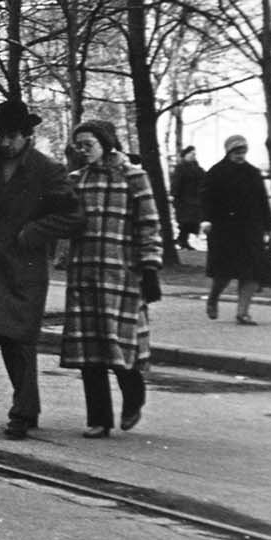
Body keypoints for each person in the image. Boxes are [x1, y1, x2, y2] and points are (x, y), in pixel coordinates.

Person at [0, 99, 85, 440]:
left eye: (12, 136)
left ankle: (23, 410)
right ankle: (26, 406)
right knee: (5, 337)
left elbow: (73, 216)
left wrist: (34, 232)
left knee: (21, 338)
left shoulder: (47, 169)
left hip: (27, 265)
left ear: (27, 135)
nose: (5, 142)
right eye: (1, 135)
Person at [59, 120, 162, 438]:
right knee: (90, 350)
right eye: (78, 145)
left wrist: (150, 269)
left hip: (122, 275)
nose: (82, 150)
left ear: (106, 142)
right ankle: (99, 419)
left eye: (88, 143)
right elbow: (63, 222)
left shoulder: (133, 176)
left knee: (121, 344)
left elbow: (148, 224)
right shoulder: (76, 180)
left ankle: (134, 398)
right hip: (85, 274)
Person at [202, 134, 271, 325]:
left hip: (251, 230)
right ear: (228, 152)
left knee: (251, 273)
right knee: (224, 273)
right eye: (236, 152)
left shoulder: (253, 173)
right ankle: (213, 298)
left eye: (243, 151)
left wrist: (270, 227)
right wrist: (205, 219)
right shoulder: (215, 172)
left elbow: (262, 201)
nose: (240, 155)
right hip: (224, 230)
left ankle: (242, 313)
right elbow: (206, 199)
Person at [169, 147, 204, 250]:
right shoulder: (180, 168)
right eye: (191, 153)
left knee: (192, 222)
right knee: (185, 222)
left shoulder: (197, 168)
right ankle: (182, 240)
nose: (194, 155)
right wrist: (174, 195)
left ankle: (182, 240)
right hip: (183, 200)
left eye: (194, 154)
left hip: (195, 200)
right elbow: (176, 183)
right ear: (185, 155)